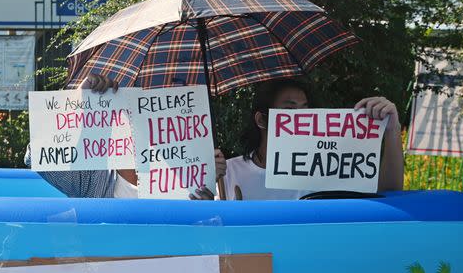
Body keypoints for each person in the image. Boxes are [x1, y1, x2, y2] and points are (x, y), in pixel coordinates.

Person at [192, 79, 404, 200]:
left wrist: (392, 130)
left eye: (305, 109)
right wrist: (208, 193)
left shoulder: (326, 166)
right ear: (262, 120)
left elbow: (388, 192)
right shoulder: (227, 172)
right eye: (289, 110)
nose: (301, 117)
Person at [26, 74, 226, 198]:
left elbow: (197, 233)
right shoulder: (92, 176)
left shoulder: (187, 175)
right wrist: (76, 104)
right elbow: (35, 155)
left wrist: (206, 197)